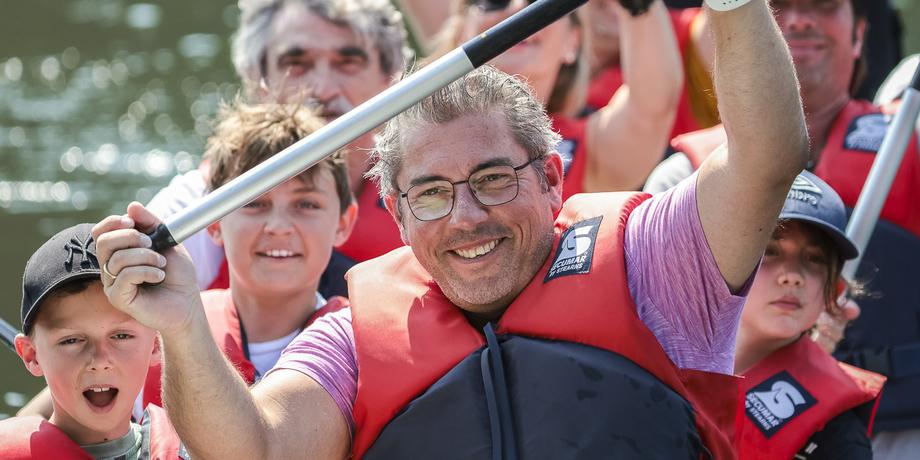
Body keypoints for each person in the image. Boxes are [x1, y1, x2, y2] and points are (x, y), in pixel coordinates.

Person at [93, 1, 809, 458]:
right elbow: (254, 450)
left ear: (553, 180)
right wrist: (183, 324)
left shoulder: (653, 262)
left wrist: (734, 4)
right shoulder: (350, 339)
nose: (467, 216)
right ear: (397, 215)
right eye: (431, 194)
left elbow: (767, 157)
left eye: (494, 179)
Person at [644, 2, 920, 455]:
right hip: (718, 428)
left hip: (900, 429)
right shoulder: (682, 178)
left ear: (859, 35)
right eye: (776, 8)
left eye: (824, 6)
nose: (799, 20)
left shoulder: (909, 138)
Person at [147, 0, 412, 291]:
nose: (323, 89)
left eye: (348, 63)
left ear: (390, 81)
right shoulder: (197, 206)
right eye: (296, 65)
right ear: (257, 82)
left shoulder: (426, 192)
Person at [430, 0, 683, 196]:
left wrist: (639, 7)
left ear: (573, 42)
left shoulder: (588, 152)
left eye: (539, 2)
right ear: (462, 33)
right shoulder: (411, 133)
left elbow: (653, 107)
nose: (517, 7)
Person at [733, 172, 885, 460]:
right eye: (770, 251)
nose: (793, 276)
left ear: (832, 291)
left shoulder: (836, 433)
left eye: (815, 259)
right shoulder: (664, 359)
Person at [0, 224, 184, 459]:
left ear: (156, 344)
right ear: (31, 355)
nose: (99, 360)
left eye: (121, 336)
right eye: (72, 340)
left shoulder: (202, 448)